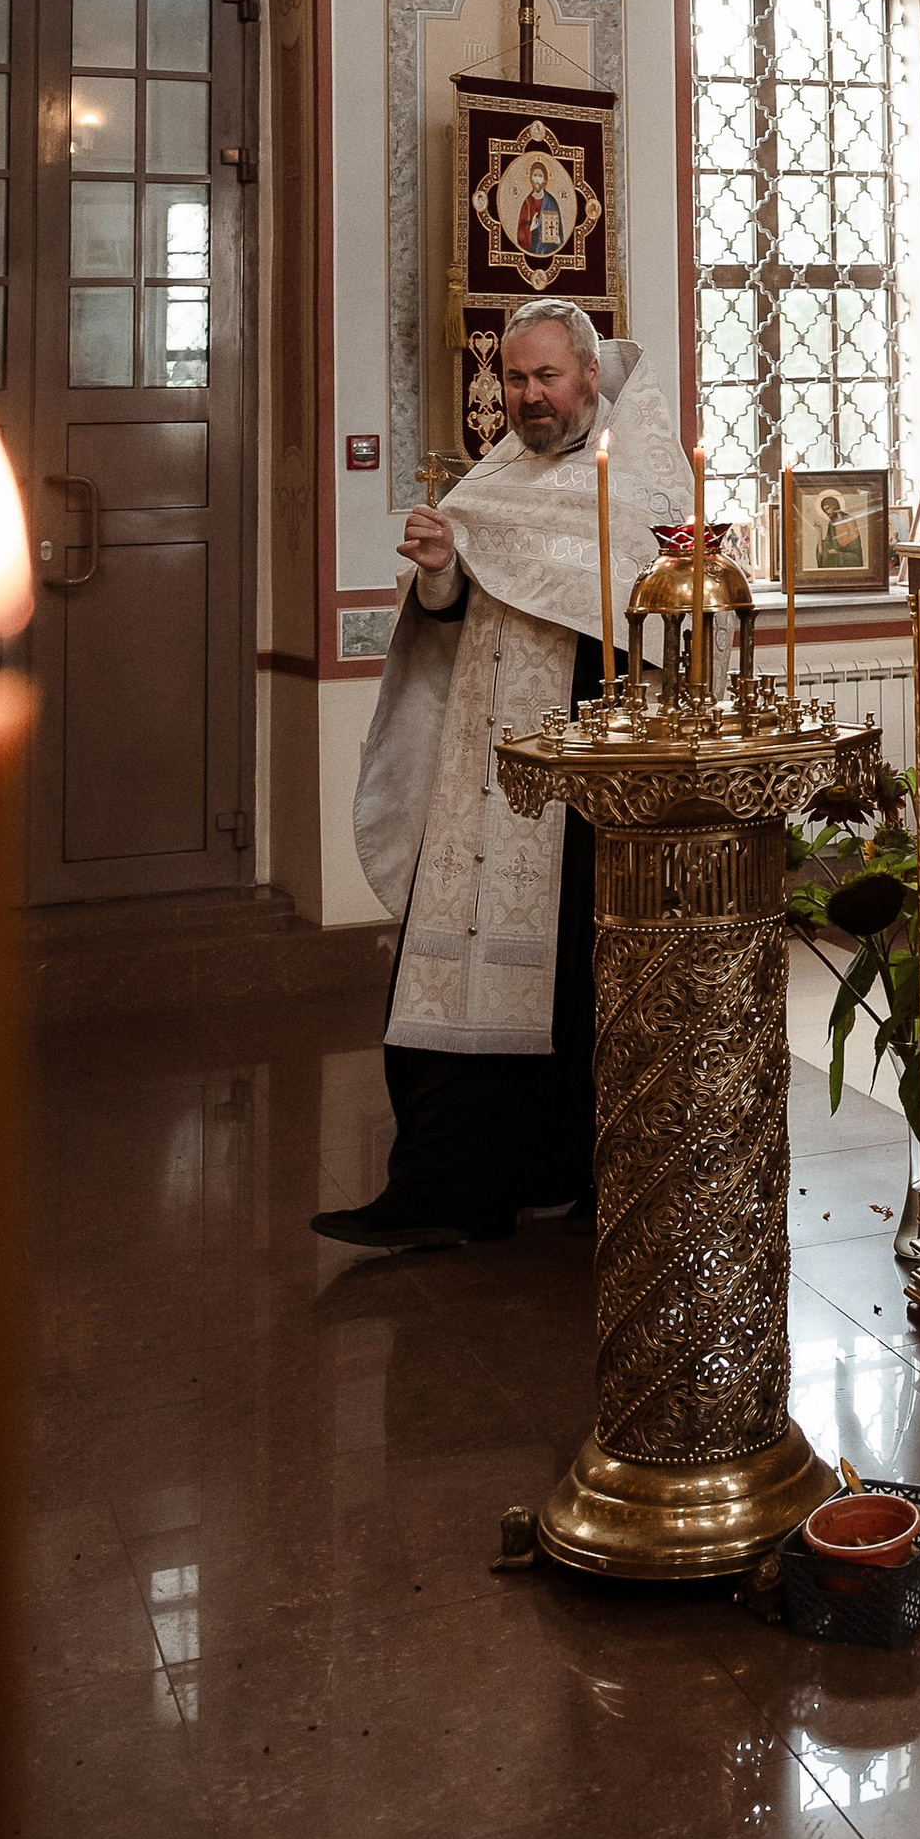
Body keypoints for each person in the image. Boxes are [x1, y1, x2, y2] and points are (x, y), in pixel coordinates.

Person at [315, 300, 692, 1248]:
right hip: (480, 777)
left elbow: (653, 624)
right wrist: (442, 567)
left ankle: (579, 1175)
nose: (527, 397)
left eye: (546, 379)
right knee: (446, 973)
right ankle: (447, 1188)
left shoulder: (643, 483)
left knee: (577, 989)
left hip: (584, 790)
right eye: (514, 380)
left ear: (589, 379)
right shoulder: (497, 474)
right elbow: (449, 611)